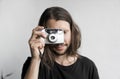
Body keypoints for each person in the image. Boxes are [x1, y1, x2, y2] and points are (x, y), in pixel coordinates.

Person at [21, 6, 99, 79]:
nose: (59, 42)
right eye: (52, 34)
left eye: (64, 32)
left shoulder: (88, 66)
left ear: (72, 32)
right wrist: (36, 59)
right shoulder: (33, 64)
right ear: (43, 33)